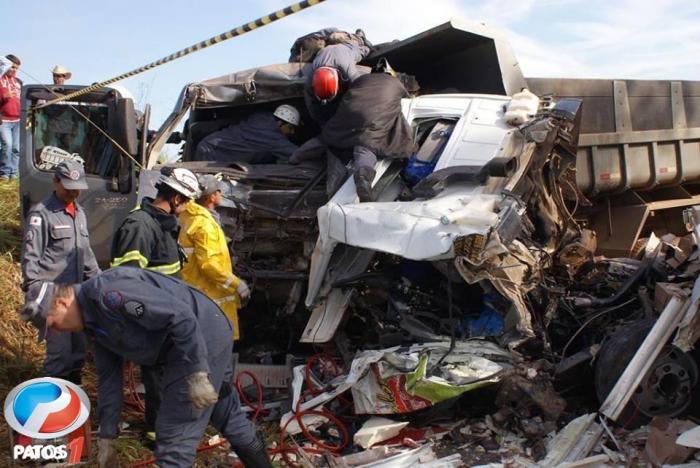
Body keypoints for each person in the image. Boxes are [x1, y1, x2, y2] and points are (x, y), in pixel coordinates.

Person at [21, 268, 272, 467]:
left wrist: (197, 373)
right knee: (225, 413)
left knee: (174, 435)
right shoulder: (93, 325)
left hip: (198, 335)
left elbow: (182, 318)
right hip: (184, 343)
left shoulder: (108, 294)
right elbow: (109, 380)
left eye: (52, 325)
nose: (56, 332)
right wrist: (108, 435)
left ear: (63, 304)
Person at [110, 166, 200, 434]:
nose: (185, 209)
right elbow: (126, 282)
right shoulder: (140, 226)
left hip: (168, 316)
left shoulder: (162, 225)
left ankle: (164, 426)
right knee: (158, 376)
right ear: (175, 199)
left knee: (167, 374)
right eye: (185, 203)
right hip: (152, 320)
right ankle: (159, 432)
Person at [21, 160, 100, 383]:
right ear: (55, 182)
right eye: (68, 187)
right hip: (53, 296)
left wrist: (100, 281)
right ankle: (51, 404)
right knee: (60, 356)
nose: (73, 192)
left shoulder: (80, 213)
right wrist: (34, 295)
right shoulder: (41, 214)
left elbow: (86, 253)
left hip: (77, 294)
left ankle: (72, 402)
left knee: (78, 352)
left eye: (77, 188)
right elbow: (31, 256)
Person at [295, 61, 414, 202]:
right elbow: (408, 99)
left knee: (327, 138)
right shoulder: (397, 84)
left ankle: (294, 158)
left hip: (348, 114)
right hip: (371, 119)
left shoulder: (360, 80)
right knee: (365, 147)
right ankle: (363, 178)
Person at [179, 174, 250, 341]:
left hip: (197, 289)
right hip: (208, 292)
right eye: (219, 191)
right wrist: (237, 284)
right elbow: (209, 264)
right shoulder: (204, 224)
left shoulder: (191, 218)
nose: (221, 195)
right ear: (212, 196)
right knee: (212, 344)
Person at [194, 104, 301, 164]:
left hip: (209, 145)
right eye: (290, 128)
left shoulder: (262, 118)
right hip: (212, 154)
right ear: (280, 123)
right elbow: (298, 154)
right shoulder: (272, 137)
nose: (292, 132)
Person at [303, 42, 369, 125]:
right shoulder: (312, 76)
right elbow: (309, 98)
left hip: (345, 48)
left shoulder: (347, 69)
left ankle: (362, 40)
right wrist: (317, 117)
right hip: (325, 51)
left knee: (363, 51)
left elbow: (361, 86)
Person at [0, 54, 22, 180]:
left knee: (16, 148)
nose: (14, 70)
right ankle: (4, 172)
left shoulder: (18, 82)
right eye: (12, 67)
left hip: (18, 119)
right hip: (4, 120)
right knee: (7, 145)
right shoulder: (0, 80)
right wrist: (4, 97)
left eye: (16, 68)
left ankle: (14, 172)